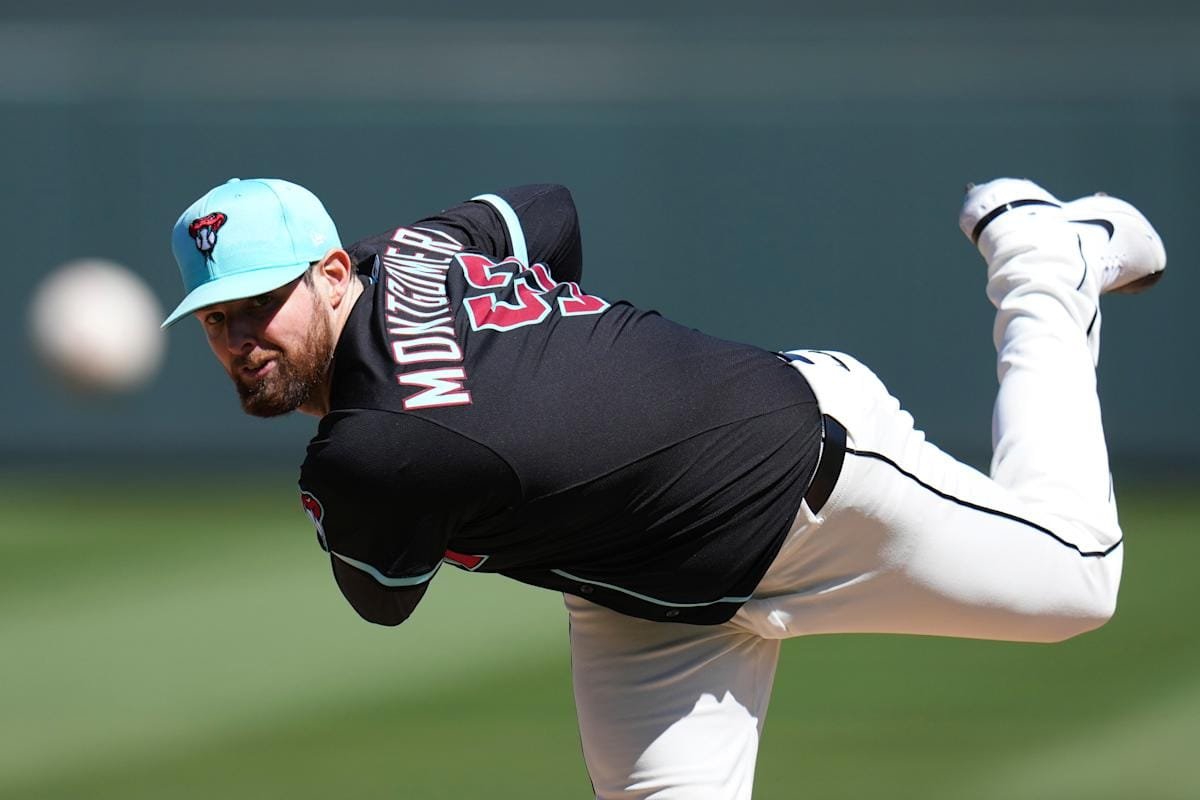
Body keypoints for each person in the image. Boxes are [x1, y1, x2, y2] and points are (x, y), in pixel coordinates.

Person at [164, 175, 1165, 799]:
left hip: (800, 482)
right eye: (216, 317)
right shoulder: (420, 249)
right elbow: (546, 210)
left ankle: (1043, 264)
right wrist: (544, 355)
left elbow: (382, 597)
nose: (241, 337)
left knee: (1078, 582)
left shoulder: (373, 449)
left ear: (333, 271)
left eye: (263, 301)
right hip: (642, 595)